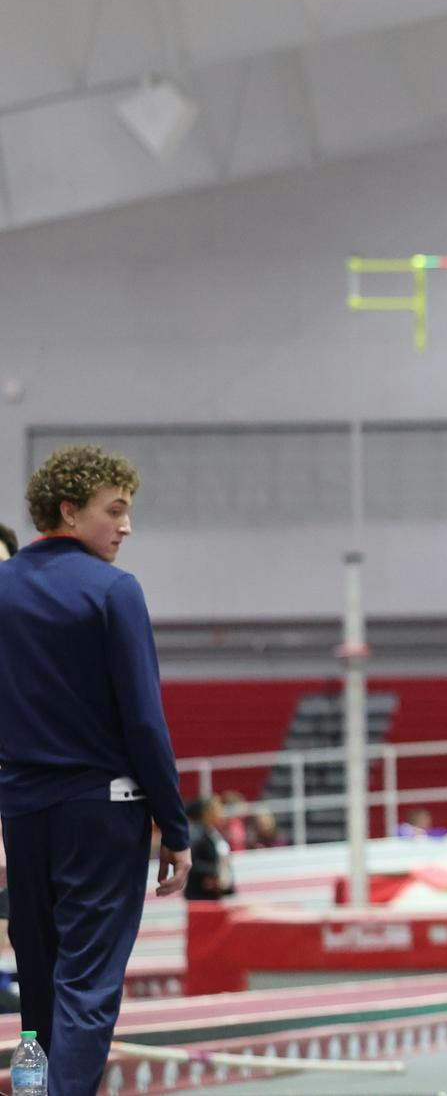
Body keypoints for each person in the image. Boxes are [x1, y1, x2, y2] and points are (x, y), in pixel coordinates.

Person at [0, 445, 191, 1096]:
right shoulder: (114, 590)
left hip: (23, 811)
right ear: (69, 511)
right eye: (115, 510)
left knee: (40, 978)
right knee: (86, 984)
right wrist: (176, 827)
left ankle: (35, 1090)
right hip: (102, 814)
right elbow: (144, 721)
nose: (126, 527)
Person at [184, 795, 236, 900]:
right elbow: (191, 862)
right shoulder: (196, 834)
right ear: (207, 812)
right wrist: (216, 871)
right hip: (200, 894)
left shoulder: (213, 832)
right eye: (217, 809)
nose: (221, 812)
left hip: (215, 893)